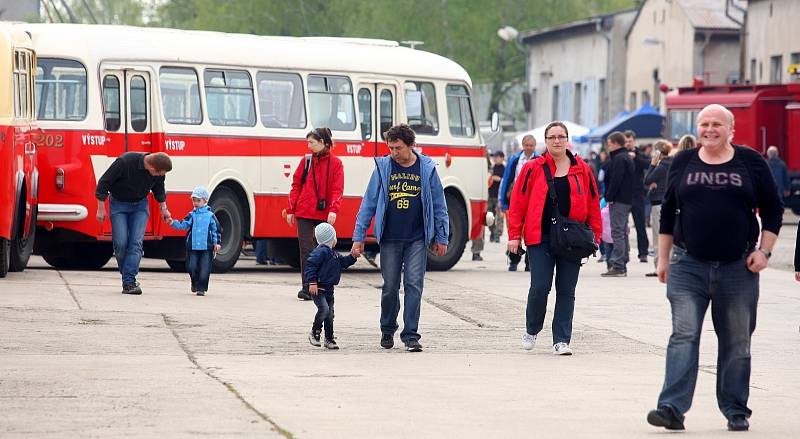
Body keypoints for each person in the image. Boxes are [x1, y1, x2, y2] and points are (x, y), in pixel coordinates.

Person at [647, 104, 783, 432]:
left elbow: (774, 209)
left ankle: (736, 409)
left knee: (737, 340)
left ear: (731, 129)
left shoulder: (750, 161)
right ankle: (671, 408)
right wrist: (663, 258)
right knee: (684, 333)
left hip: (738, 268)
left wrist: (764, 251)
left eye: (717, 124)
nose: (710, 129)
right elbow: (668, 213)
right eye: (704, 124)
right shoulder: (683, 161)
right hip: (687, 264)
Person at [351, 124, 449, 353]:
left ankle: (411, 335)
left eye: (398, 148)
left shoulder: (427, 168)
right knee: (390, 287)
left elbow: (439, 205)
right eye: (390, 147)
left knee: (414, 285)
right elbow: (369, 203)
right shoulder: (383, 167)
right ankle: (387, 328)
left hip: (417, 238)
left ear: (411, 146)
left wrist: (442, 237)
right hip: (390, 238)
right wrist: (359, 236)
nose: (393, 152)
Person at [507, 121, 601, 355]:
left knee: (567, 290)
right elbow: (518, 204)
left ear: (567, 140)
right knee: (540, 286)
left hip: (572, 239)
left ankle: (561, 340)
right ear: (546, 141)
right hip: (540, 237)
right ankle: (532, 329)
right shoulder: (533, 168)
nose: (557, 141)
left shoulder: (582, 168)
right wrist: (514, 236)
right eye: (552, 137)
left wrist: (596, 236)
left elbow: (593, 203)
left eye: (561, 136)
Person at [95, 152, 173, 295]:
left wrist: (164, 209)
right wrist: (101, 208)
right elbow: (104, 182)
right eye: (159, 173)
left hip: (140, 206)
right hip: (118, 205)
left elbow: (159, 190)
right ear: (152, 167)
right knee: (120, 243)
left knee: (136, 243)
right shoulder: (124, 162)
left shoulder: (158, 172)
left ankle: (129, 282)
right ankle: (127, 273)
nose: (159, 176)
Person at [286, 127, 344, 301]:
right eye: (308, 142)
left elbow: (337, 189)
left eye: (312, 142)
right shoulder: (306, 161)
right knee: (306, 249)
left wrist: (334, 209)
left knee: (323, 250)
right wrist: (291, 210)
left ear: (323, 143)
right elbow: (296, 186)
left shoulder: (336, 163)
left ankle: (322, 285)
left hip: (323, 212)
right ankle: (307, 287)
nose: (309, 146)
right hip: (304, 211)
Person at [305, 222, 358, 350]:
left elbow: (344, 262)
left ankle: (329, 338)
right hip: (318, 288)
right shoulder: (321, 252)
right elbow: (310, 266)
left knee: (330, 315)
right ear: (331, 238)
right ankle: (315, 332)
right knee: (324, 310)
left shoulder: (334, 254)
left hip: (329, 290)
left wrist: (352, 257)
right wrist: (312, 282)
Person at [167, 186, 221, 296]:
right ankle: (194, 282)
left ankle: (201, 288)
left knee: (205, 268)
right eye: (194, 200)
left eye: (198, 201)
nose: (195, 203)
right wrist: (172, 222)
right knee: (191, 266)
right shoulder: (192, 215)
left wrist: (217, 243)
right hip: (193, 246)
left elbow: (216, 230)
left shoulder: (210, 216)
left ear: (205, 201)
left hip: (207, 246)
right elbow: (183, 225)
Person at [500, 135, 537, 271]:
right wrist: (503, 200)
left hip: (532, 201)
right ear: (523, 145)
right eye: (526, 145)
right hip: (516, 200)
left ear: (535, 146)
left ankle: (529, 262)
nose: (529, 148)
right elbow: (507, 179)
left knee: (530, 232)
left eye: (531, 145)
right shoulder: (515, 160)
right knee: (514, 230)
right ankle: (514, 261)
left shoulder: (539, 160)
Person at [601, 131, 635, 277]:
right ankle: (622, 261)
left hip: (619, 199)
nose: (608, 147)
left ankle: (619, 265)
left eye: (609, 144)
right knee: (622, 231)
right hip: (626, 199)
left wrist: (609, 196)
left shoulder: (619, 159)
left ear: (615, 144)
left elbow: (616, 180)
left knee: (617, 232)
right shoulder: (625, 157)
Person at [642, 140, 673, 277]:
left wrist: (652, 164)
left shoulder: (661, 166)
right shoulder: (672, 164)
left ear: (658, 153)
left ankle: (658, 266)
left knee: (657, 237)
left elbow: (647, 180)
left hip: (658, 203)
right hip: (668, 202)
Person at [624, 130, 650, 263]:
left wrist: (635, 158)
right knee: (622, 226)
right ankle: (624, 253)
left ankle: (643, 252)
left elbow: (648, 164)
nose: (628, 143)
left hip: (637, 194)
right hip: (623, 194)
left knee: (640, 225)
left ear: (634, 141)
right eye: (626, 141)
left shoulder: (639, 153)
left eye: (630, 141)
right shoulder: (621, 154)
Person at [488, 150, 506, 243]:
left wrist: (498, 179)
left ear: (502, 158)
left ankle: (497, 235)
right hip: (490, 196)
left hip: (499, 197)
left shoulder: (505, 169)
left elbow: (505, 181)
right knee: (490, 217)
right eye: (495, 157)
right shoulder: (491, 168)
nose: (496, 159)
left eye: (498, 157)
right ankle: (492, 232)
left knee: (499, 218)